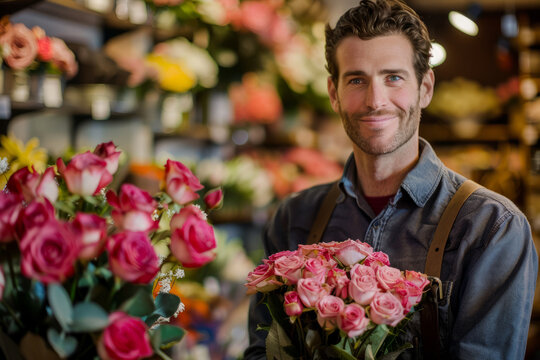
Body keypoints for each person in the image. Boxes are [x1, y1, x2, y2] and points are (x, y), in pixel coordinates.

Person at [244, 0, 539, 359]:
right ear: (334, 93)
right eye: (356, 80)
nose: (375, 100)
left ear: (425, 88)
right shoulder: (292, 219)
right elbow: (263, 351)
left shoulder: (491, 228)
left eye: (393, 78)